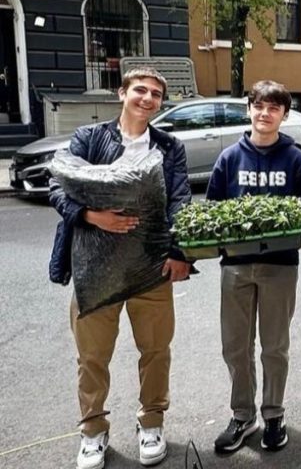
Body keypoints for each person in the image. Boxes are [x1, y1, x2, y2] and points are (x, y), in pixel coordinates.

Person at [48, 67, 191, 469]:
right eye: (140, 90)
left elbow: (179, 199)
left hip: (151, 265)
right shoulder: (90, 138)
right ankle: (93, 429)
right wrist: (91, 216)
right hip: (95, 268)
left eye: (156, 94)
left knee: (156, 351)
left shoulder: (168, 147)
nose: (147, 98)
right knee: (92, 356)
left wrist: (179, 252)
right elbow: (58, 186)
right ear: (122, 94)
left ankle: (152, 422)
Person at [206, 80, 301, 454]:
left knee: (274, 348)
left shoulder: (296, 159)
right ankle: (242, 415)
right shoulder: (229, 158)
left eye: (273, 108)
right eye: (259, 106)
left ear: (284, 114)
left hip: (280, 266)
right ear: (249, 109)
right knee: (236, 347)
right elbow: (213, 210)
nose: (265, 113)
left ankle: (273, 414)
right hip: (235, 266)